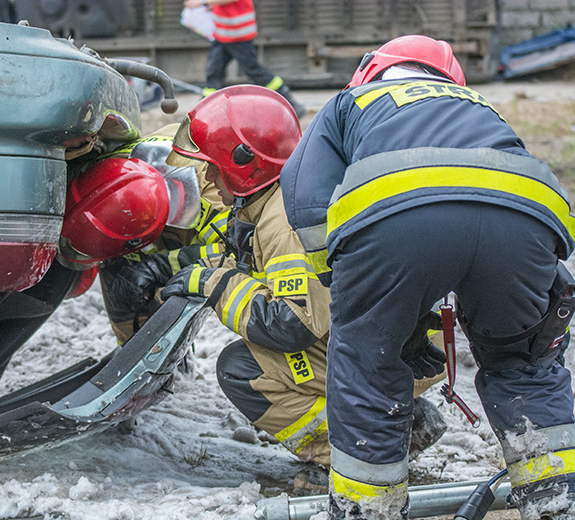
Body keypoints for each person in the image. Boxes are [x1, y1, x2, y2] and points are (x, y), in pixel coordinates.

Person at [279, 35, 575, 519]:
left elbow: (307, 200)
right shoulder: (478, 104)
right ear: (450, 80)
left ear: (371, 71)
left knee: (368, 364)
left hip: (398, 216)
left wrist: (364, 300)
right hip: (528, 215)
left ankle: (366, 510)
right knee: (525, 365)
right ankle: (558, 500)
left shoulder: (351, 101)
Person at [158, 84, 447, 468]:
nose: (208, 178)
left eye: (213, 166)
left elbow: (292, 324)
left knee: (244, 371)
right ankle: (393, 417)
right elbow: (259, 266)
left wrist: (211, 284)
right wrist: (183, 266)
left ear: (245, 166)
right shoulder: (289, 190)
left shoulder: (283, 221)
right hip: (402, 339)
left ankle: (355, 452)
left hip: (400, 351)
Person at [58, 125, 232, 346]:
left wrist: (159, 267)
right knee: (123, 279)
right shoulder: (102, 170)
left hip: (192, 228)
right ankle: (137, 350)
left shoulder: (212, 191)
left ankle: (177, 351)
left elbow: (239, 253)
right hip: (141, 219)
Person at [182, 0, 307, 119]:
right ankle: (202, 112)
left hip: (237, 34)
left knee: (253, 70)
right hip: (223, 33)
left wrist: (202, 2)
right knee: (214, 72)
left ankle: (290, 103)